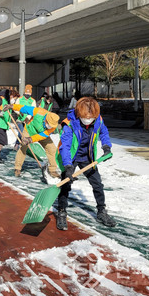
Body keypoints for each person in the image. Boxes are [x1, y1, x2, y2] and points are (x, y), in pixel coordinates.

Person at [55, 96, 116, 230]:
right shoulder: (69, 124)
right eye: (85, 116)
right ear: (79, 113)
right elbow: (64, 146)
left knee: (98, 184)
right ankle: (61, 211)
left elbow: (104, 132)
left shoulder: (97, 119)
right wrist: (68, 166)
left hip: (88, 157)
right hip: (71, 157)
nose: (88, 119)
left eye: (91, 117)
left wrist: (106, 146)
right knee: (65, 184)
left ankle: (101, 211)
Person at [11, 102, 61, 178]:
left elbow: (42, 136)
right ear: (46, 120)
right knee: (23, 147)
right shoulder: (39, 112)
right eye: (49, 125)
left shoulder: (53, 126)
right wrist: (12, 106)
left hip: (41, 135)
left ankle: (52, 170)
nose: (50, 127)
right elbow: (25, 109)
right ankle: (17, 168)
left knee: (52, 149)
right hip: (29, 130)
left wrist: (30, 139)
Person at [13, 84, 36, 151]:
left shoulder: (32, 101)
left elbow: (32, 110)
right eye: (26, 94)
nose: (27, 96)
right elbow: (15, 108)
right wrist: (19, 113)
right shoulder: (19, 99)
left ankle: (23, 147)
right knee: (21, 133)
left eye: (28, 94)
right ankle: (17, 144)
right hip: (20, 119)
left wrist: (28, 118)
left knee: (26, 135)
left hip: (27, 121)